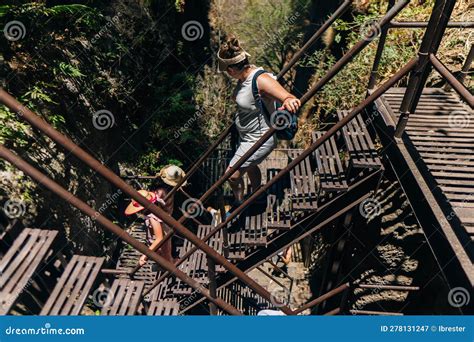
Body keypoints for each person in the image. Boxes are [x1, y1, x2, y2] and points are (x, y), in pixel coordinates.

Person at [217, 36, 301, 205]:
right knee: (250, 166)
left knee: (231, 175)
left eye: (227, 70)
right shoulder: (243, 78)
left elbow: (288, 97)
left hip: (260, 138)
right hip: (247, 137)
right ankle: (257, 194)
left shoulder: (260, 79)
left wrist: (289, 101)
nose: (227, 74)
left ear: (232, 70)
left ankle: (239, 202)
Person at [124, 165, 186, 266]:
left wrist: (144, 256)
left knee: (165, 252)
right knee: (165, 250)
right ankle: (168, 262)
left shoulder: (153, 215)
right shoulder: (168, 191)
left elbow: (159, 238)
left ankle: (170, 266)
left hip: (163, 229)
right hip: (166, 221)